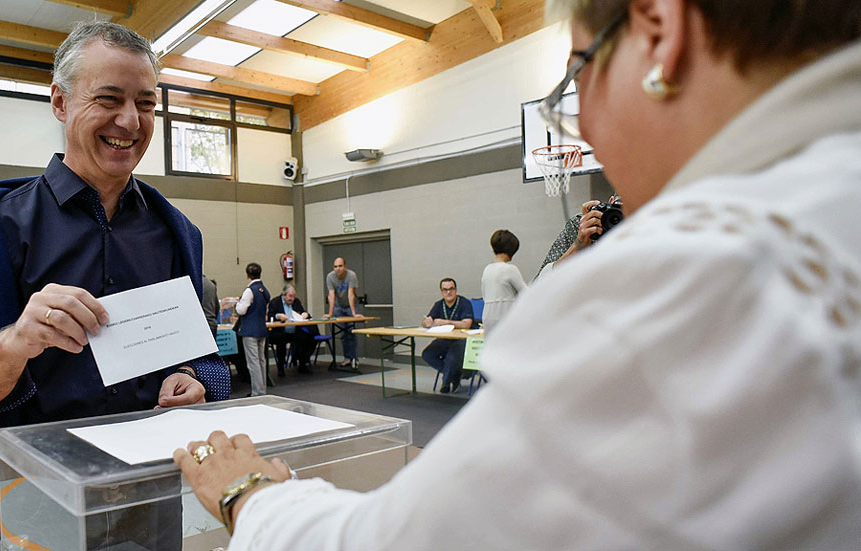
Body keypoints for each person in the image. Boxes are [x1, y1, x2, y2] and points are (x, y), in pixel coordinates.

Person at [175, 0, 861, 547]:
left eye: (578, 79)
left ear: (660, 29)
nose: (585, 126)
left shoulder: (688, 271)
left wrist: (251, 495)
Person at [0, 21, 230, 550]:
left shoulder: (177, 231)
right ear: (60, 102)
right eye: (108, 99)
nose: (130, 121)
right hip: (38, 491)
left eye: (146, 104)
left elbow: (202, 354)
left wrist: (193, 378)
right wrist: (16, 339)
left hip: (150, 491)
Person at [535, 195, 617, 279]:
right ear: (611, 202)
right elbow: (540, 282)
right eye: (621, 205)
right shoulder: (582, 225)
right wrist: (579, 244)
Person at [421, 278, 475, 393]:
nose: (448, 292)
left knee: (452, 357)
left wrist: (447, 322)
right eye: (445, 290)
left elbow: (467, 324)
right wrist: (427, 322)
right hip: (445, 339)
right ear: (441, 292)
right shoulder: (438, 304)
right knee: (427, 354)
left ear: (456, 290)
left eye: (451, 289)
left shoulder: (464, 303)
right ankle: (455, 375)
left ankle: (446, 383)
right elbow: (425, 322)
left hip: (461, 340)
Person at [479, 229, 527, 332]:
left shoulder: (487, 270)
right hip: (505, 318)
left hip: (487, 318)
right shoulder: (510, 269)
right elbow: (526, 293)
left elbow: (485, 296)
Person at [235, 262, 270, 396]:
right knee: (261, 361)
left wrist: (237, 304)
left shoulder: (249, 291)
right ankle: (263, 389)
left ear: (247, 275)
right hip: (262, 329)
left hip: (249, 331)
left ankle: (257, 392)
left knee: (253, 363)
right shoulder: (264, 290)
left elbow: (241, 310)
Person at [267, 283, 317, 376]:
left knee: (308, 338)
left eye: (293, 296)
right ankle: (281, 368)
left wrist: (305, 314)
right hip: (280, 332)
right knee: (281, 342)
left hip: (294, 332)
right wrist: (278, 316)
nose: (292, 299)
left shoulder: (296, 302)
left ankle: (302, 363)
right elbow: (270, 316)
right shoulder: (275, 302)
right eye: (290, 296)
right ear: (284, 295)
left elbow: (303, 312)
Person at [323, 257, 363, 370]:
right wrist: (330, 313)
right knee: (343, 334)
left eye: (340, 266)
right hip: (338, 306)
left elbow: (351, 295)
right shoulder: (330, 277)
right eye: (335, 266)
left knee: (351, 332)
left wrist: (354, 313)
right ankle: (347, 358)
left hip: (350, 305)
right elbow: (331, 295)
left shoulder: (351, 275)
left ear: (345, 266)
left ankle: (354, 358)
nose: (338, 269)